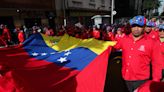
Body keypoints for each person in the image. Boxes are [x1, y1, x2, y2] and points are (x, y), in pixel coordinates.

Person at [114, 15, 163, 92]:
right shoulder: (124, 39)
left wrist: (155, 81)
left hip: (141, 80)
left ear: (143, 27)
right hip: (125, 78)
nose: (136, 29)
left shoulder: (152, 43)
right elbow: (114, 47)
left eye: (139, 26)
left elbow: (157, 63)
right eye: (134, 26)